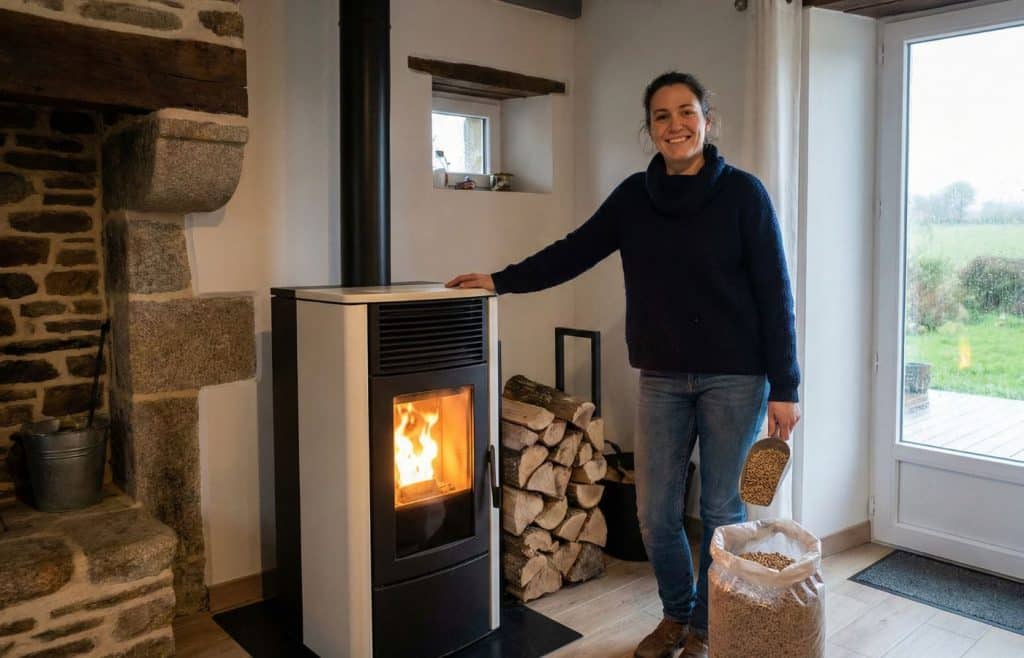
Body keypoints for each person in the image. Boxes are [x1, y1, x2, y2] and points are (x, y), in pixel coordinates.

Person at [447, 71, 801, 658]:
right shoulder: (634, 198)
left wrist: (785, 385)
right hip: (662, 375)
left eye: (686, 112)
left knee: (719, 509)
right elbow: (573, 250)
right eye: (661, 116)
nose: (675, 125)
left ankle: (710, 630)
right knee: (654, 511)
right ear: (650, 129)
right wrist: (500, 281)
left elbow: (775, 294)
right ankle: (676, 615)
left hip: (736, 377)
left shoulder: (744, 195)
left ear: (708, 121)